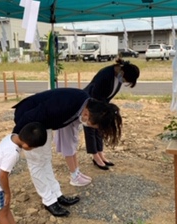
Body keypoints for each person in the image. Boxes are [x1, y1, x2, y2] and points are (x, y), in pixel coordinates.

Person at [12, 87, 122, 217]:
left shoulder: (84, 103)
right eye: (92, 125)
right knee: (36, 162)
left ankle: (56, 195)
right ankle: (49, 200)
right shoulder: (65, 105)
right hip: (28, 122)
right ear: (86, 114)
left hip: (43, 123)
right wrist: (16, 137)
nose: (90, 127)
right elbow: (28, 116)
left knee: (45, 159)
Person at [0, 122, 48, 224]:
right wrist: (7, 192)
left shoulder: (12, 137)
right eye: (33, 148)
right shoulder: (12, 153)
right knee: (2, 213)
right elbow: (2, 175)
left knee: (5, 209)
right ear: (26, 145)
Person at [83, 58, 140, 170]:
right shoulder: (105, 74)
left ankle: (100, 153)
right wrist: (99, 110)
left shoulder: (117, 76)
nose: (123, 82)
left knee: (100, 128)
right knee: (90, 129)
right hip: (91, 103)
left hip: (102, 104)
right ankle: (95, 156)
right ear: (122, 72)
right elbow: (95, 94)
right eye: (125, 80)